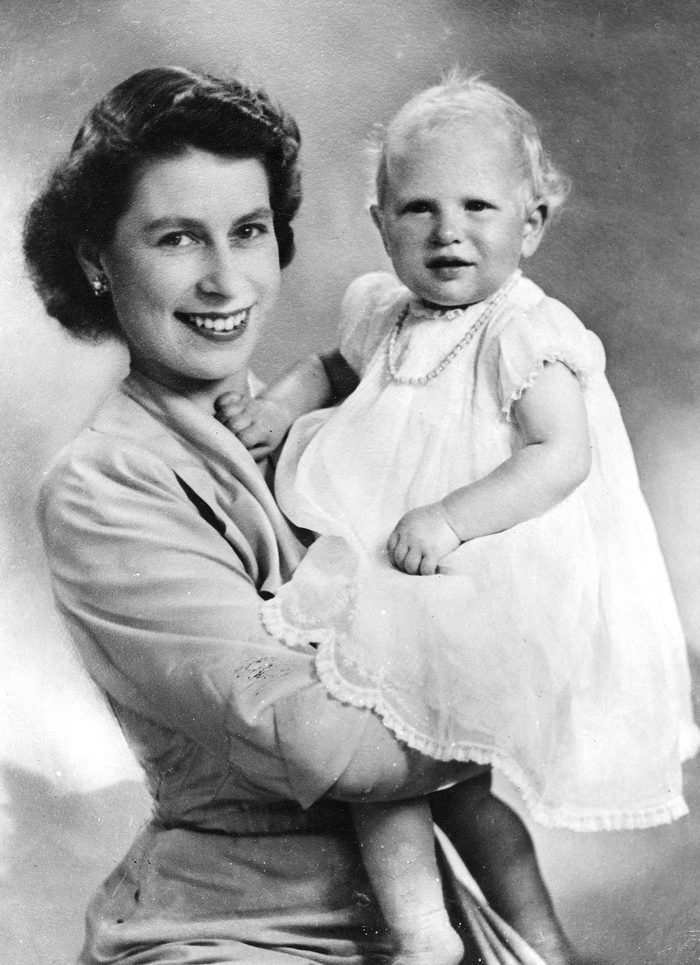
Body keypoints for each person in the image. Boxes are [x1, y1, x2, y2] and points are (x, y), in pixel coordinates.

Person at [23, 66, 576, 965]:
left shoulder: (322, 434)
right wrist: (521, 689)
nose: (223, 278)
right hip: (234, 928)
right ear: (96, 259)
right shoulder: (103, 486)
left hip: (412, 908)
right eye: (174, 239)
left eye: (246, 232)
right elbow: (320, 743)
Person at [215, 73, 700, 965]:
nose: (449, 232)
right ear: (380, 223)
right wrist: (284, 405)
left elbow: (562, 453)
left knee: (381, 749)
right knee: (434, 779)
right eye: (419, 210)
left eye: (479, 206)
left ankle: (443, 936)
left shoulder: (525, 332)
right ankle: (499, 939)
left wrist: (449, 517)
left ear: (531, 222)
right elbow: (333, 364)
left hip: (463, 584)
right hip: (398, 578)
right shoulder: (382, 310)